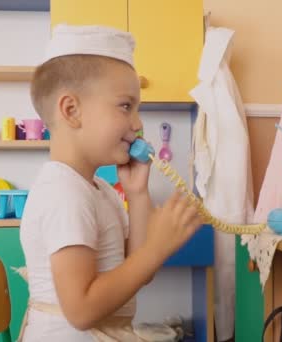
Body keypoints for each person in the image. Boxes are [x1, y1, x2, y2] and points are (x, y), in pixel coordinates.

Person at [19, 24, 204, 341]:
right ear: (71, 110)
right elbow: (81, 311)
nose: (137, 123)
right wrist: (156, 249)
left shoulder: (98, 189)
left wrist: (137, 192)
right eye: (125, 106)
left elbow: (137, 273)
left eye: (137, 109)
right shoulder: (64, 193)